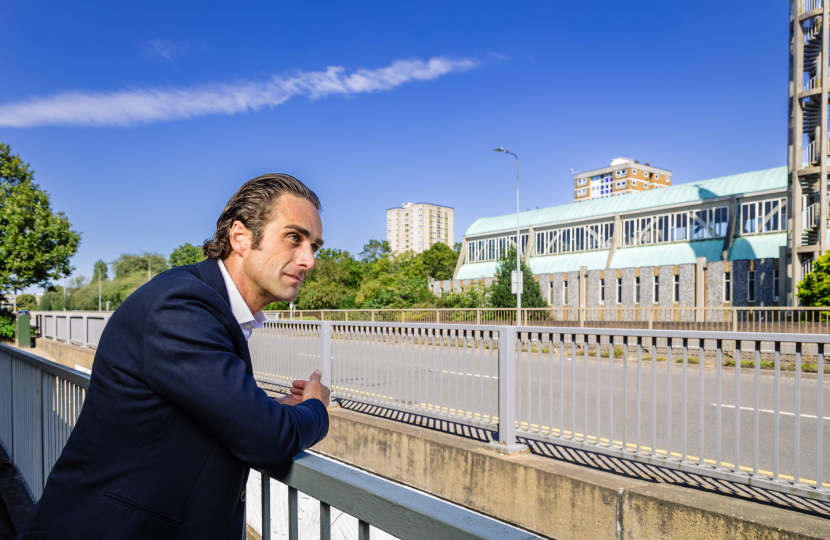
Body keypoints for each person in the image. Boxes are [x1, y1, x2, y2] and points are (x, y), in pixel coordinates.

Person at [17, 174, 331, 540]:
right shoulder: (182, 305)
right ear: (240, 237)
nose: (308, 260)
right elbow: (268, 439)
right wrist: (316, 409)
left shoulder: (204, 304)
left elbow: (197, 413)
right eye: (294, 237)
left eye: (315, 246)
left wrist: (265, 408)